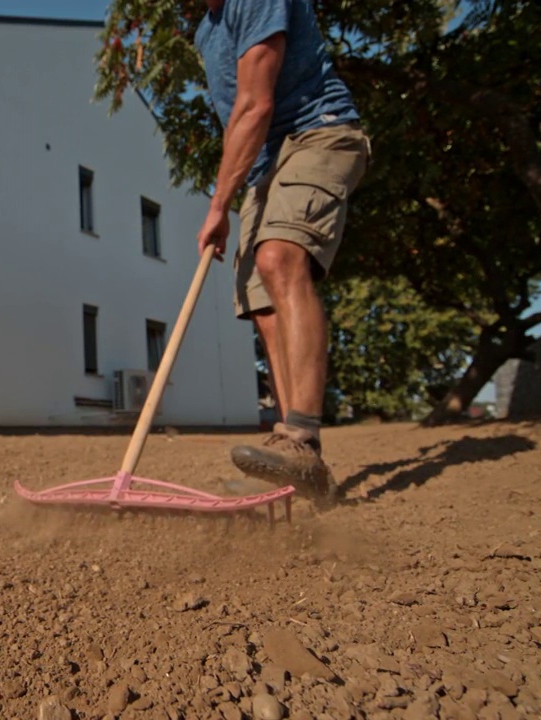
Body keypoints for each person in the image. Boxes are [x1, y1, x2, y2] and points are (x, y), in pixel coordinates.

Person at [191, 0, 370, 501]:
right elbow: (238, 121)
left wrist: (218, 205)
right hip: (266, 167)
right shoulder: (206, 33)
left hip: (318, 131)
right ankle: (301, 471)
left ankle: (301, 437)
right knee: (263, 307)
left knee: (279, 258)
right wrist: (232, 200)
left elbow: (256, 105)